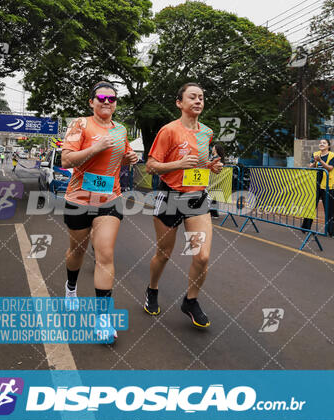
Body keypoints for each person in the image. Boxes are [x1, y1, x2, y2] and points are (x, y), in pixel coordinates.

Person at [61, 80, 138, 342]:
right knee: (77, 252)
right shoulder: (80, 124)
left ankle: (103, 320)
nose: (107, 101)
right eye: (101, 97)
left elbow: (123, 154)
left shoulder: (121, 129)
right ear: (91, 101)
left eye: (112, 98)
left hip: (109, 200)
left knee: (104, 253)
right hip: (79, 200)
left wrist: (130, 158)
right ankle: (71, 288)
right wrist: (94, 148)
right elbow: (65, 159)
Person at [144, 82, 223, 328]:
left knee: (202, 256)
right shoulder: (168, 131)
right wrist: (176, 165)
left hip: (196, 198)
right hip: (169, 197)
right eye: (192, 97)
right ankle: (152, 290)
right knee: (164, 254)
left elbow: (199, 163)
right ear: (180, 103)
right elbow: (151, 166)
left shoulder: (206, 132)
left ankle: (190, 301)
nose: (198, 101)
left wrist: (211, 166)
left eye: (201, 97)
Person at [301, 138, 334, 237]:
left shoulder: (332, 155)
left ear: (328, 146)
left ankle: (331, 232)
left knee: (330, 209)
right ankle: (305, 228)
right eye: (320, 143)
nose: (321, 144)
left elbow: (330, 168)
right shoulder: (315, 154)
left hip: (328, 186)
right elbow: (310, 166)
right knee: (311, 205)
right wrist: (314, 163)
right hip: (316, 184)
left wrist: (320, 161)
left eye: (324, 143)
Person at [209, 143, 225, 218]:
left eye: (213, 147)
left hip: (214, 178)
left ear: (215, 149)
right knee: (211, 195)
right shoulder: (213, 157)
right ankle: (212, 212)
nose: (212, 149)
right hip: (211, 179)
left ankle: (214, 213)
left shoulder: (217, 158)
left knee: (213, 195)